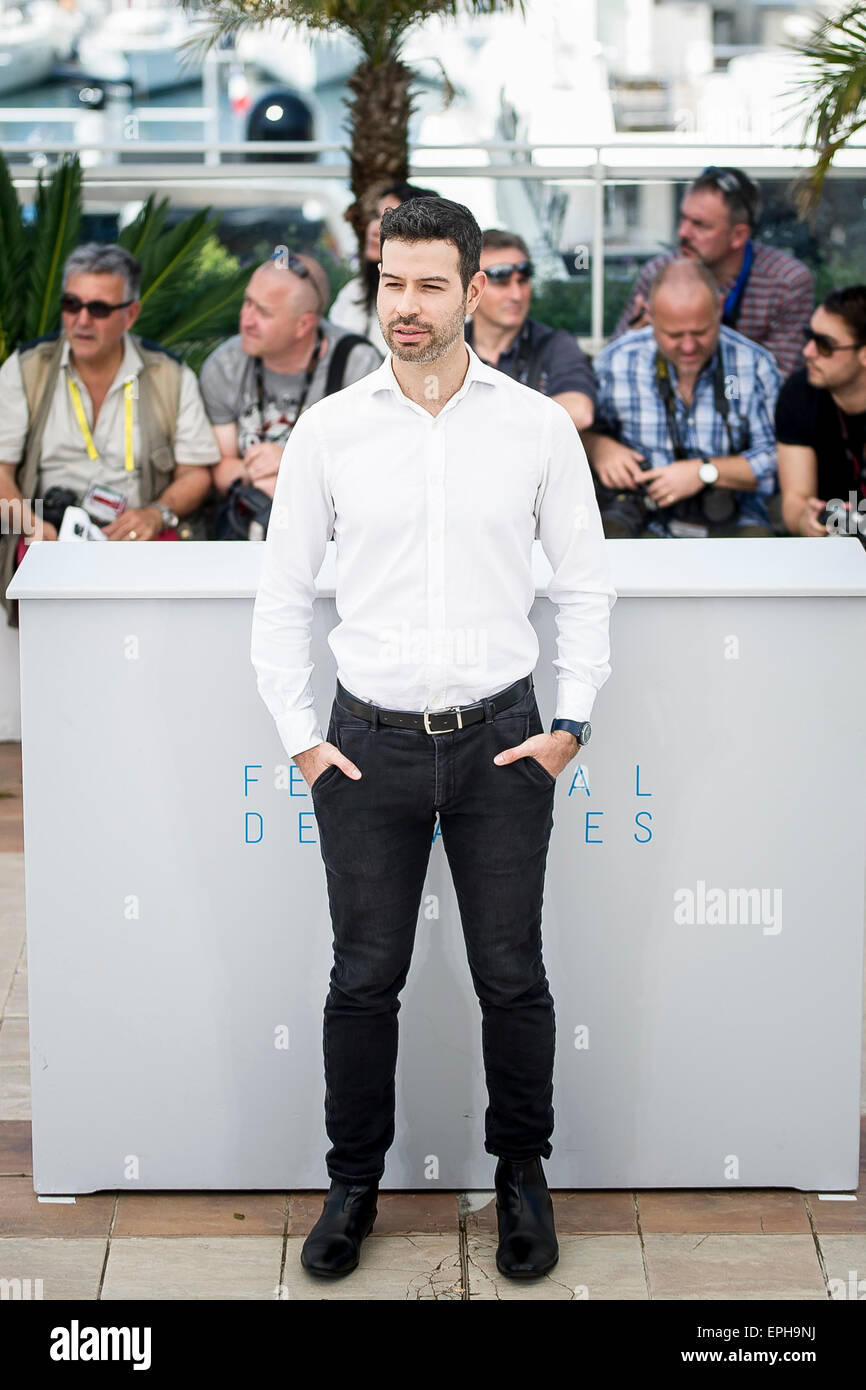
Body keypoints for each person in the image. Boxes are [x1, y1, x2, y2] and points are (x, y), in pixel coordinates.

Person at [250, 196, 615, 1280]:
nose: (404, 308)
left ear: (472, 289)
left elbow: (586, 587)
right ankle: (352, 1184)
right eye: (389, 284)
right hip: (366, 746)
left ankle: (520, 1176)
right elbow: (279, 599)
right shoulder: (330, 429)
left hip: (505, 737)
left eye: (428, 286)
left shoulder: (535, 425)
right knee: (363, 978)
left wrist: (570, 723)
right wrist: (302, 739)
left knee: (512, 974)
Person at [0, 243, 220, 628]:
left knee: (147, 648)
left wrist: (156, 513)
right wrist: (30, 523)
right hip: (49, 537)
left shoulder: (170, 375)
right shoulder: (26, 369)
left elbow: (197, 474)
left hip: (133, 539)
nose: (82, 320)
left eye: (99, 309)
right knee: (53, 654)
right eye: (71, 304)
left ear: (130, 314)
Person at [586, 258, 780, 537]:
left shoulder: (756, 364)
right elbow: (571, 434)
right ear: (650, 316)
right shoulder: (615, 362)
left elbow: (776, 455)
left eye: (701, 332)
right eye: (674, 335)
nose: (689, 346)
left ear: (719, 308)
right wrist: (598, 447)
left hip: (733, 519)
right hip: (645, 517)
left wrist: (704, 473)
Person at [199, 252, 381, 537]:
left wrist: (290, 462)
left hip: (332, 539)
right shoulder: (225, 365)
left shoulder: (356, 366)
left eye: (263, 312)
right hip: (245, 531)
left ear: (304, 325)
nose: (246, 320)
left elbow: (371, 470)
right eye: (247, 303)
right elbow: (221, 468)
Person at [612, 167, 814, 381]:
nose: (683, 232)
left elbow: (779, 379)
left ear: (738, 235)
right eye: (683, 219)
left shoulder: (786, 283)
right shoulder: (658, 274)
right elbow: (613, 362)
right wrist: (636, 337)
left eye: (699, 224)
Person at [464, 228, 596, 430]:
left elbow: (580, 411)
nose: (517, 294)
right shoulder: (449, 347)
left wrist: (478, 422)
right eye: (501, 279)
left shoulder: (555, 344)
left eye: (523, 280)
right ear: (473, 289)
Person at [776, 285, 866, 538]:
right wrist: (809, 521)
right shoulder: (799, 392)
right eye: (809, 336)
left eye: (825, 345)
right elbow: (794, 504)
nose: (808, 352)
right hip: (833, 545)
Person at [328, 180, 439, 354]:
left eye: (389, 219)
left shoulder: (442, 296)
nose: (374, 229)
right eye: (375, 216)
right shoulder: (355, 291)